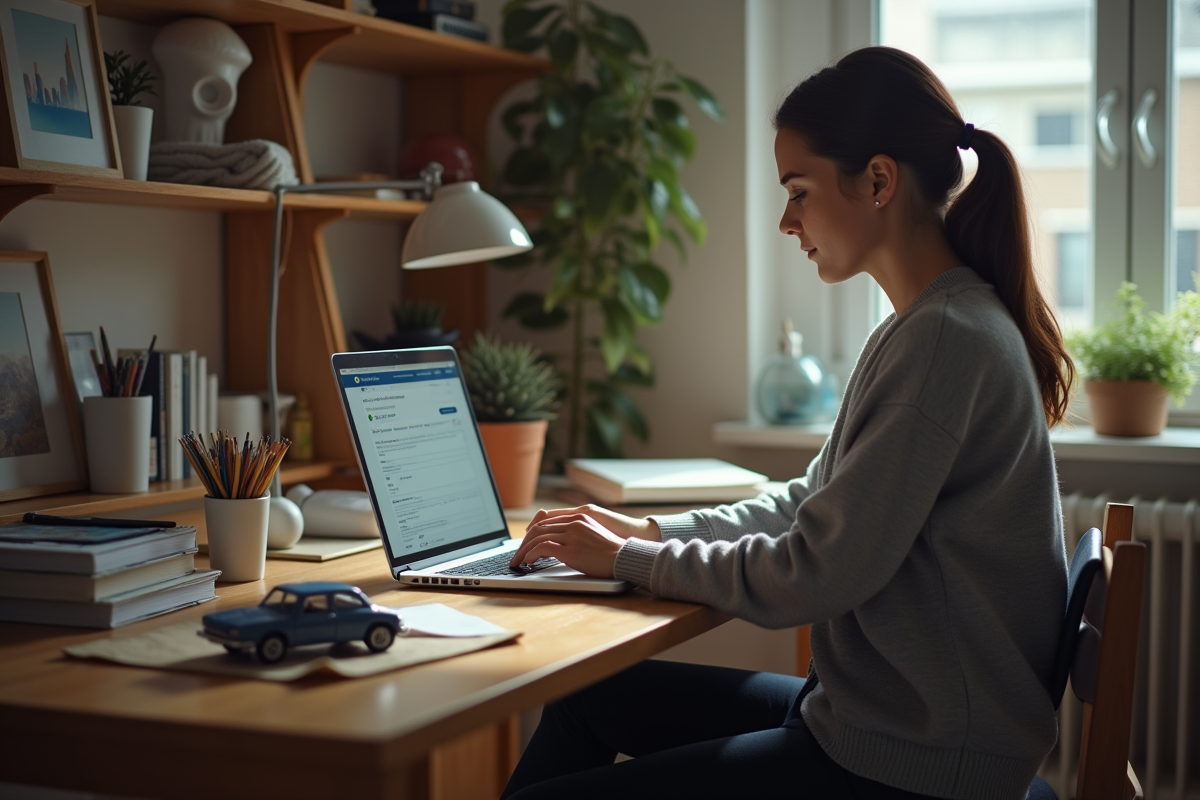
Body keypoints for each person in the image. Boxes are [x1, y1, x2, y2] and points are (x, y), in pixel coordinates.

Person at [501, 46, 1073, 800]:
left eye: (798, 191)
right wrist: (648, 537)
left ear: (877, 180)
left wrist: (628, 564)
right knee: (584, 698)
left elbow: (816, 572)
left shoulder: (945, 340)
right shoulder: (922, 327)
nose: (785, 220)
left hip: (915, 764)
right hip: (873, 723)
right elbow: (811, 501)